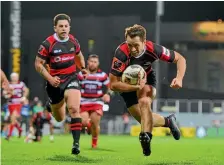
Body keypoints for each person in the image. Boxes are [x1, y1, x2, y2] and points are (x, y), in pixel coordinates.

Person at [109, 24, 186, 156]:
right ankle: (168, 121)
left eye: (136, 45)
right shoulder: (121, 53)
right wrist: (134, 87)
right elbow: (113, 84)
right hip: (126, 84)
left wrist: (179, 78)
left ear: (144, 42)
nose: (132, 49)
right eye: (129, 44)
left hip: (147, 78)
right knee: (143, 118)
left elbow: (180, 58)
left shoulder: (154, 49)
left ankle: (146, 137)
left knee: (145, 102)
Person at [34, 13, 88, 155]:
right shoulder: (48, 44)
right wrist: (50, 79)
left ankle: (76, 144)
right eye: (61, 26)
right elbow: (38, 65)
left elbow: (79, 55)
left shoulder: (73, 41)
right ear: (55, 28)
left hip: (71, 78)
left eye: (66, 26)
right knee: (60, 117)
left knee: (74, 109)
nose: (64, 29)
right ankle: (51, 105)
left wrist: (82, 68)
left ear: (69, 27)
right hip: (55, 83)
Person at [77, 54, 110, 148]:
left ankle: (94, 143)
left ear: (98, 64)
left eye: (95, 62)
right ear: (87, 62)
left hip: (97, 102)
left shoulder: (102, 75)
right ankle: (88, 126)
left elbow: (110, 87)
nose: (93, 64)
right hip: (84, 102)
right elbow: (75, 86)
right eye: (91, 61)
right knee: (83, 122)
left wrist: (107, 94)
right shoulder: (81, 74)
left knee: (95, 123)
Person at [3, 72, 29, 140]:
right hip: (10, 104)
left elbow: (26, 90)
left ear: (17, 77)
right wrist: (7, 95)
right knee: (13, 119)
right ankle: (19, 129)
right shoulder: (8, 84)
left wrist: (24, 97)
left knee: (13, 117)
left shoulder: (21, 84)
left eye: (15, 77)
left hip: (18, 103)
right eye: (13, 77)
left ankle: (9, 135)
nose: (14, 78)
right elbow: (4, 93)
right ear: (11, 78)